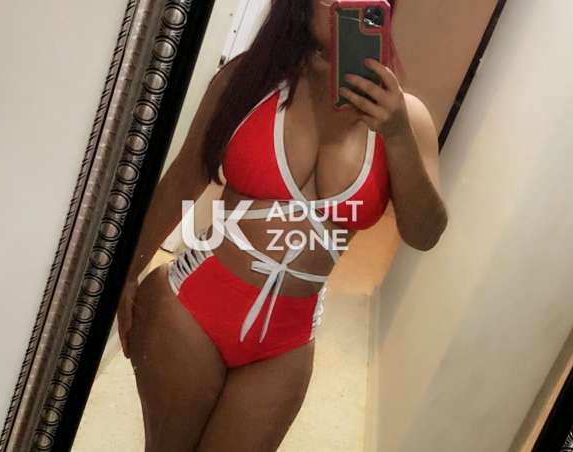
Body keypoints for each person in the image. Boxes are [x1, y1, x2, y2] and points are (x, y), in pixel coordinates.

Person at [117, 0, 447, 450]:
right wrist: (125, 272)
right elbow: (183, 178)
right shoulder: (247, 79)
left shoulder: (408, 119)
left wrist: (397, 134)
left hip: (285, 343)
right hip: (193, 306)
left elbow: (425, 234)